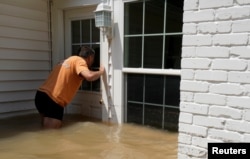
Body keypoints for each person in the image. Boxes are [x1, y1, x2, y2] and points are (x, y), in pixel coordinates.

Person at [35, 46, 105, 128]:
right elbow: (89, 76)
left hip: (41, 95)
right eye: (93, 59)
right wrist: (101, 72)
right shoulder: (80, 61)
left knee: (45, 130)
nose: (93, 62)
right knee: (51, 134)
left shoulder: (67, 60)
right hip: (54, 99)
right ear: (90, 57)